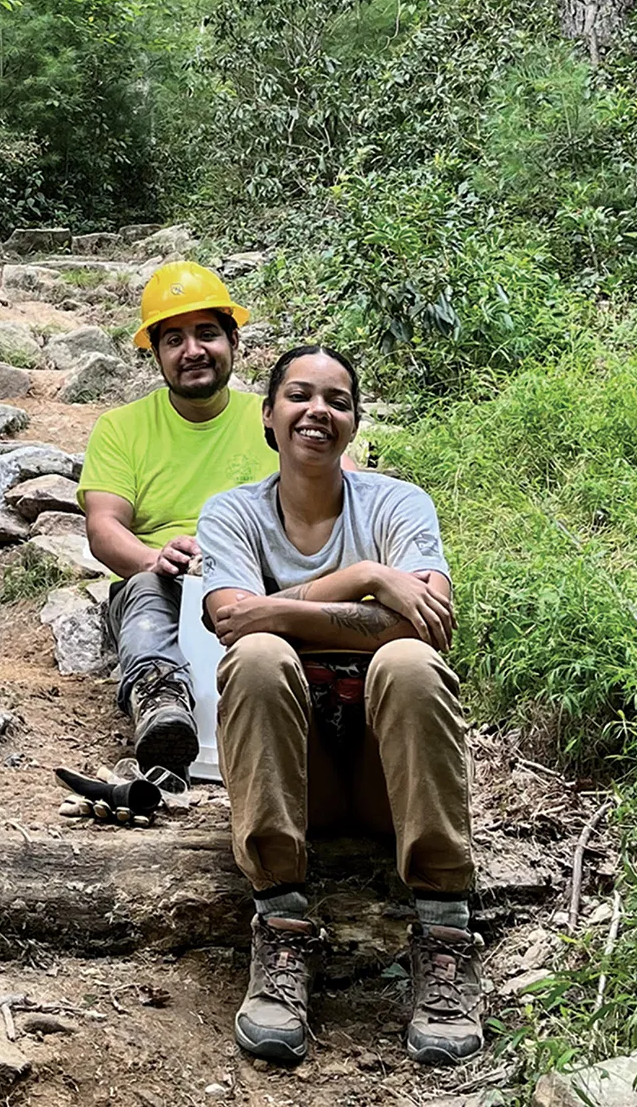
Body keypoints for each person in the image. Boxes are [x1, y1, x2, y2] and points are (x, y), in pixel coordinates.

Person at [199, 345, 480, 1068]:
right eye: (299, 395)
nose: (317, 410)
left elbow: (427, 625)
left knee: (410, 661)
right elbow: (232, 624)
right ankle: (282, 925)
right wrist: (364, 578)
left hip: (391, 780)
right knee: (257, 659)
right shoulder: (233, 514)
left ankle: (445, 932)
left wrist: (278, 608)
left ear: (353, 422)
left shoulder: (398, 503)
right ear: (267, 415)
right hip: (302, 778)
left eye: (337, 399)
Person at [76, 262, 279, 776]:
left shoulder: (276, 417)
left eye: (206, 333)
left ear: (234, 340)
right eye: (174, 339)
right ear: (157, 355)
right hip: (163, 586)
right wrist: (154, 558)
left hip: (265, 583)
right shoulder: (122, 429)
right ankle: (161, 704)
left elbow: (346, 488)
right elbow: (103, 528)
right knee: (144, 587)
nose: (192, 351)